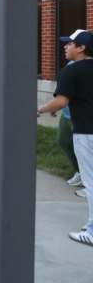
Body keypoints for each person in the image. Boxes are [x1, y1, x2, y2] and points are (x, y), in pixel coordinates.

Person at [37, 29, 93, 247]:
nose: (65, 47)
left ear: (81, 48)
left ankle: (91, 230)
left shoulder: (72, 71)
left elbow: (61, 102)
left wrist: (39, 110)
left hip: (86, 133)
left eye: (70, 44)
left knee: (90, 181)